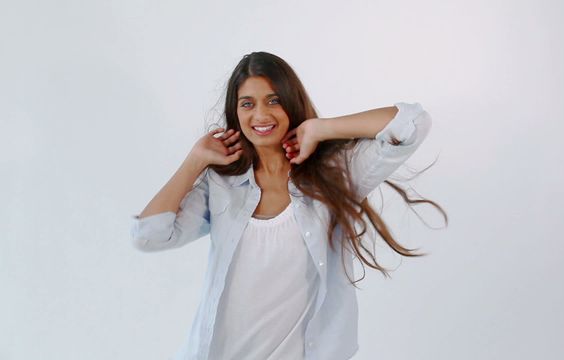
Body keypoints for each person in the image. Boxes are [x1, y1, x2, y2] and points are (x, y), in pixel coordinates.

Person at [130, 51, 447, 360]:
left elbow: (413, 124)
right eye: (247, 104)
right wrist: (195, 161)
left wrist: (322, 128)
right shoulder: (222, 185)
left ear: (291, 101)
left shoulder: (337, 172)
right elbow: (149, 235)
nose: (261, 115)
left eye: (274, 100)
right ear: (236, 112)